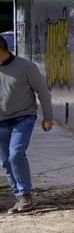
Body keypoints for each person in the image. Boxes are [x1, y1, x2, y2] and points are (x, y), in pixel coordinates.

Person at [0, 33, 54, 214]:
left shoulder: (26, 67)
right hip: (1, 122)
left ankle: (26, 195)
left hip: (23, 117)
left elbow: (43, 92)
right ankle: (19, 196)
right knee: (6, 161)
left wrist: (48, 116)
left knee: (16, 154)